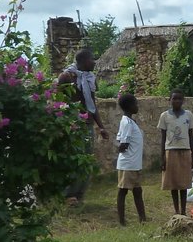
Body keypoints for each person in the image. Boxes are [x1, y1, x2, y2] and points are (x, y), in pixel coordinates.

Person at [57, 48, 109, 206]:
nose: (94, 62)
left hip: (87, 125)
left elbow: (92, 104)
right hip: (72, 125)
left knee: (86, 160)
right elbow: (58, 102)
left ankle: (79, 194)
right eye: (91, 59)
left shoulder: (90, 78)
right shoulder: (66, 77)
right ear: (82, 61)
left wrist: (101, 127)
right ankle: (68, 195)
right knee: (75, 160)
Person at [158, 90, 193, 215]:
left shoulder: (188, 115)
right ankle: (177, 210)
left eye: (179, 99)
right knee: (173, 183)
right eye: (174, 98)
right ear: (170, 100)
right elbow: (163, 138)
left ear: (183, 101)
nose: (177, 101)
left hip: (185, 152)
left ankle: (184, 210)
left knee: (183, 183)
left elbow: (191, 136)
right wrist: (162, 156)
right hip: (171, 152)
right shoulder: (164, 116)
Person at [115, 93, 147, 226]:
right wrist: (121, 150)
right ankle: (122, 221)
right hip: (128, 164)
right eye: (136, 103)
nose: (137, 106)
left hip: (134, 164)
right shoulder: (127, 123)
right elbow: (123, 143)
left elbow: (118, 139)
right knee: (123, 191)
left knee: (137, 190)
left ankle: (143, 218)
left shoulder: (129, 121)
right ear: (129, 106)